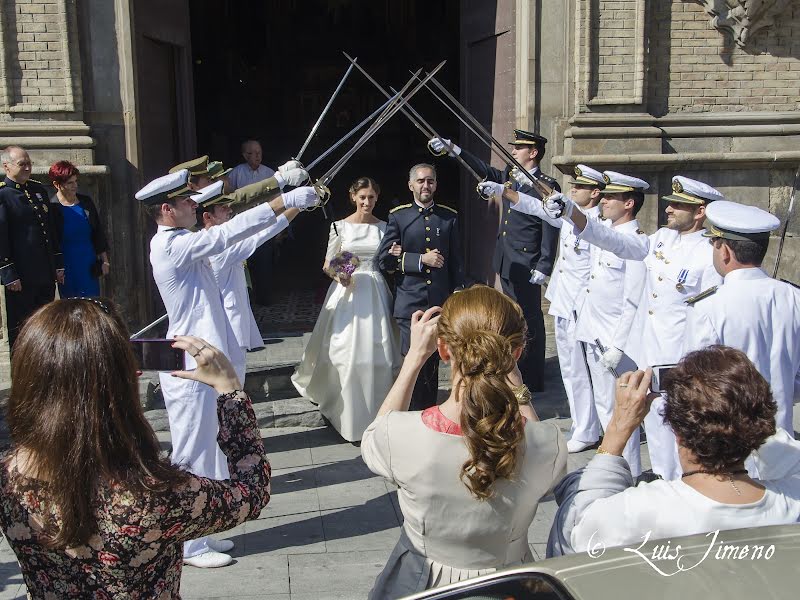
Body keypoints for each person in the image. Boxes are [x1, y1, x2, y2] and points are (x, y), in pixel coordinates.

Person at [0, 298, 271, 597]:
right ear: (121, 381)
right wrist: (230, 391)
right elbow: (252, 491)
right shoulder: (155, 495)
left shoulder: (8, 480)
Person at [140, 167, 316, 567]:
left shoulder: (183, 242)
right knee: (191, 453)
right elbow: (226, 234)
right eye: (186, 202)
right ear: (167, 210)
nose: (193, 205)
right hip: (190, 363)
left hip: (203, 359)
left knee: (208, 449)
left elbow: (237, 234)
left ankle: (200, 532)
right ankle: (187, 543)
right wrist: (284, 199)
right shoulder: (169, 245)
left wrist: (287, 206)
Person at [362, 286, 567, 598]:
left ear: (443, 351)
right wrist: (518, 387)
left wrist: (414, 359)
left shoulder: (400, 435)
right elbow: (545, 462)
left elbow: (375, 434)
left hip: (422, 584)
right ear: (515, 353)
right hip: (511, 583)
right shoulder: (545, 442)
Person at [548, 346, 800, 556]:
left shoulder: (642, 511)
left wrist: (618, 428)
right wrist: (740, 402)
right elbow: (787, 456)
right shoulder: (791, 503)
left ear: (676, 429)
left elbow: (573, 530)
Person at [429, 129, 560, 392]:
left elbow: (551, 225)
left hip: (527, 261)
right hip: (506, 258)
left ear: (533, 153)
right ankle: (514, 366)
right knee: (512, 316)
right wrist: (453, 147)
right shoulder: (512, 178)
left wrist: (545, 264)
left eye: (519, 148)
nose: (513, 152)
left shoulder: (546, 185)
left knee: (530, 317)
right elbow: (484, 170)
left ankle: (533, 377)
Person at [292, 177, 401, 441]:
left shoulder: (385, 227)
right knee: (343, 354)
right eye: (362, 197)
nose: (367, 202)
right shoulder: (339, 226)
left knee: (382, 355)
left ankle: (379, 411)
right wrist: (340, 275)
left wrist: (396, 254)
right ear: (353, 196)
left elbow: (387, 262)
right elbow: (328, 263)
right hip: (347, 292)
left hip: (374, 290)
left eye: (371, 198)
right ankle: (345, 412)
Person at [683, 200, 800, 435]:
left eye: (713, 244)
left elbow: (697, 383)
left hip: (729, 442)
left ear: (724, 251)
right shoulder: (794, 296)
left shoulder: (708, 305)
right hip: (782, 436)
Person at [377, 163, 465, 410]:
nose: (425, 186)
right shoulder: (399, 216)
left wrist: (458, 292)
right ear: (410, 185)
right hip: (410, 303)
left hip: (439, 301)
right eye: (420, 181)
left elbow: (457, 261)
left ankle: (429, 411)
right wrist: (418, 259)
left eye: (430, 181)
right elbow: (383, 260)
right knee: (413, 358)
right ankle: (411, 411)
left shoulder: (449, 217)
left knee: (435, 359)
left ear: (436, 184)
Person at [197, 181, 300, 382]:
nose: (229, 211)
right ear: (207, 217)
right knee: (233, 385)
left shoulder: (209, 241)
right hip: (227, 328)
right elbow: (264, 231)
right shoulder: (218, 248)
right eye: (222, 208)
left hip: (226, 325)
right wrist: (297, 204)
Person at [0, 146, 63, 349]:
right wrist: (8, 273)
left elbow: (50, 232)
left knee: (46, 328)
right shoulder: (3, 194)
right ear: (6, 166)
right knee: (22, 331)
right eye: (22, 164)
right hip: (21, 277)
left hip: (44, 273)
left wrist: (58, 264)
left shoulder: (38, 191)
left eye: (29, 163)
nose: (27, 168)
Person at [48, 160, 110, 298]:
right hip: (67, 263)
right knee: (71, 305)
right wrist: (57, 268)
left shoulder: (86, 201)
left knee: (91, 302)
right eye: (70, 183)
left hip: (88, 261)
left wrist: (104, 260)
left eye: (76, 181)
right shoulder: (52, 208)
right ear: (57, 185)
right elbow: (52, 241)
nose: (75, 186)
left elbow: (97, 231)